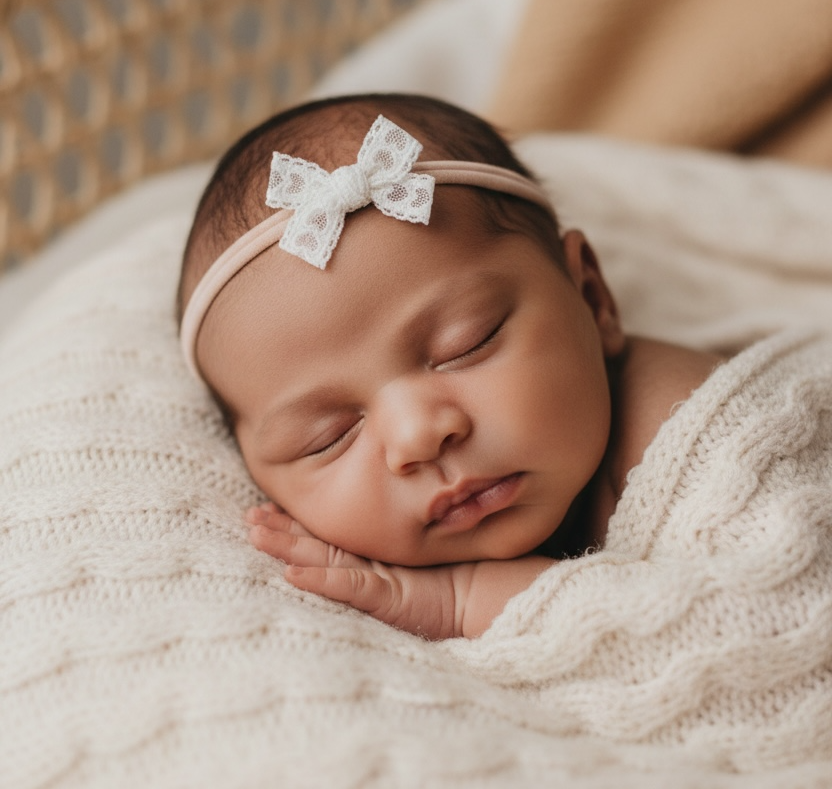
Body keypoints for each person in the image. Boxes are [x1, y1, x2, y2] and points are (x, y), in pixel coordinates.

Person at [178, 93, 720, 639]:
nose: (418, 437)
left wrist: (460, 603)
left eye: (466, 345)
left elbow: (732, 621)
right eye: (329, 437)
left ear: (592, 298)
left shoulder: (692, 429)